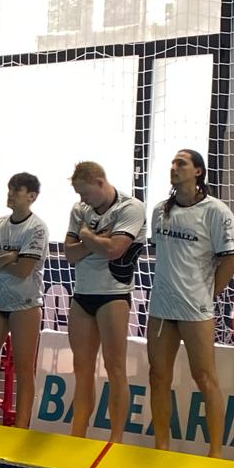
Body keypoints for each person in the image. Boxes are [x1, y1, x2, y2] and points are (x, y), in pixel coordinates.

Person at [148, 149, 234, 458]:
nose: (173, 168)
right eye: (172, 163)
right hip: (162, 307)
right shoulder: (160, 211)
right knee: (158, 376)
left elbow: (230, 261)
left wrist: (208, 294)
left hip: (195, 309)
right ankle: (162, 446)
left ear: (198, 171)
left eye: (181, 163)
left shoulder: (216, 212)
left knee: (205, 377)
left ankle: (215, 453)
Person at [65, 161, 146, 443]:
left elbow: (114, 250)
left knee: (115, 368)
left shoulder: (130, 207)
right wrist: (98, 240)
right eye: (79, 194)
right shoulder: (80, 209)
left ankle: (116, 439)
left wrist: (87, 236)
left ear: (100, 183)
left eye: (85, 192)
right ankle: (77, 434)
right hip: (82, 294)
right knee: (82, 369)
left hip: (114, 294)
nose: (82, 199)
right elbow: (70, 255)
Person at [0, 173, 48, 434]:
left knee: (24, 369)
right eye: (10, 189)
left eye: (17, 190)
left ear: (32, 196)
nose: (11, 194)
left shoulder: (37, 228)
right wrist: (8, 257)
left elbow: (24, 270)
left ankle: (20, 429)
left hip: (26, 304)